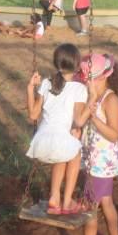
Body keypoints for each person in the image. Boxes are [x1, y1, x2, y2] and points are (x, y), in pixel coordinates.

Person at [66, 53, 118, 235]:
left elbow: (114, 135)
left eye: (86, 76)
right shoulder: (93, 97)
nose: (83, 79)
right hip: (95, 160)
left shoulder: (111, 100)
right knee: (107, 202)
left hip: (102, 164)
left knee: (89, 208)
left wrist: (93, 117)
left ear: (101, 77)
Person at [26, 43, 88, 215]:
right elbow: (78, 120)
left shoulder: (46, 83)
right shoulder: (79, 89)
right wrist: (92, 102)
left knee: (61, 156)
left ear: (56, 63)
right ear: (77, 65)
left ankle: (54, 199)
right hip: (61, 142)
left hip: (40, 143)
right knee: (75, 155)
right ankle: (67, 202)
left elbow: (33, 115)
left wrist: (30, 88)